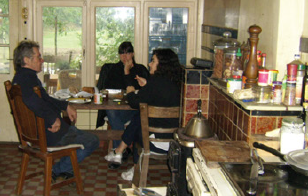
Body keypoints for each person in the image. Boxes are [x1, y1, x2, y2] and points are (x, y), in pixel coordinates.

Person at [10, 40, 99, 181]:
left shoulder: (22, 78)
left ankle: (64, 169)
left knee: (77, 132)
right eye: (38, 57)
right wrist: (53, 118)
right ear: (27, 60)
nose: (42, 59)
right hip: (50, 134)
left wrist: (65, 106)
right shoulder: (26, 79)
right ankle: (57, 170)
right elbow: (31, 100)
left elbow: (45, 99)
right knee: (93, 140)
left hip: (42, 132)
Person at [105, 48, 183, 180]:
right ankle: (119, 151)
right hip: (176, 141)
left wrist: (130, 90)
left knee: (139, 122)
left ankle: (135, 167)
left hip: (154, 142)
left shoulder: (155, 84)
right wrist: (146, 84)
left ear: (162, 65)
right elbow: (160, 93)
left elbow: (134, 103)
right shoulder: (178, 84)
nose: (149, 64)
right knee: (139, 118)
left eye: (153, 61)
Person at [96, 41, 149, 133]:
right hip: (117, 107)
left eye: (127, 53)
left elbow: (148, 91)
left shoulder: (141, 69)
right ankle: (121, 145)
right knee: (111, 112)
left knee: (138, 114)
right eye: (122, 53)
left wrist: (127, 72)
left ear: (132, 54)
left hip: (134, 108)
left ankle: (119, 146)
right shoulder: (112, 70)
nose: (124, 56)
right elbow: (107, 90)